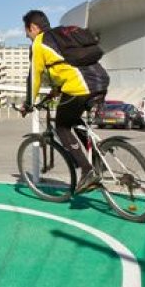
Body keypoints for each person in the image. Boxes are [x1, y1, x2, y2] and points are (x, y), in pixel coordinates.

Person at [21, 10, 110, 193]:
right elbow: (67, 66)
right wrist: (56, 90)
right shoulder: (62, 37)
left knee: (62, 126)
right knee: (75, 121)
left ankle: (87, 171)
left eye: (27, 31)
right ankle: (98, 159)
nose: (27, 35)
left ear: (33, 28)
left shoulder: (39, 43)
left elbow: (34, 78)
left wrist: (29, 104)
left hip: (79, 86)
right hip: (100, 80)